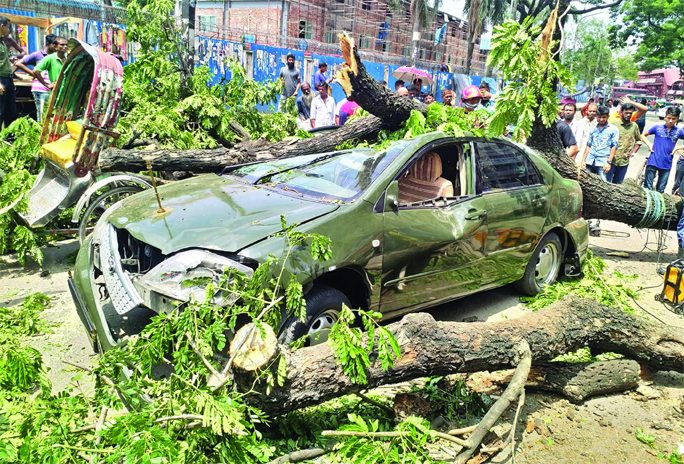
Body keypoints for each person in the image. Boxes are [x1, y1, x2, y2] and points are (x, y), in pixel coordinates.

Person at [14, 34, 57, 123]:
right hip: (41, 89)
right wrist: (33, 74)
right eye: (54, 44)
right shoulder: (37, 55)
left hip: (52, 88)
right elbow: (19, 63)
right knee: (42, 116)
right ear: (48, 44)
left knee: (51, 115)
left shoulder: (56, 56)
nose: (57, 47)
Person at [640, 106, 684, 193]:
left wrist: (678, 148)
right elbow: (642, 135)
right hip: (653, 160)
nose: (670, 121)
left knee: (660, 190)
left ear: (677, 119)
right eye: (669, 118)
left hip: (666, 164)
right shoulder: (657, 128)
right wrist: (649, 144)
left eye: (673, 119)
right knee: (647, 188)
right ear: (665, 117)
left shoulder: (678, 131)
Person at [606, 102, 642, 184]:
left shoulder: (634, 126)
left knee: (618, 184)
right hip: (611, 160)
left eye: (630, 113)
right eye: (626, 113)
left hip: (624, 161)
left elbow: (638, 141)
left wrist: (633, 153)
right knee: (606, 183)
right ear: (621, 112)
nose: (628, 115)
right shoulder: (613, 123)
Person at [581, 105, 618, 181]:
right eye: (599, 117)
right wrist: (583, 160)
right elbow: (589, 145)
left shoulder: (613, 129)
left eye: (604, 117)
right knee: (585, 182)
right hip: (590, 161)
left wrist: (609, 162)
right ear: (596, 116)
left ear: (608, 116)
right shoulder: (593, 128)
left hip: (603, 162)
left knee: (604, 184)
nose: (601, 119)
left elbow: (614, 146)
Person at [0, 16, 17, 129]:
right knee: (0, 112)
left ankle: (9, 139)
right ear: (1, 26)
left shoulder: (2, 42)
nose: (9, 30)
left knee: (11, 111)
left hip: (8, 79)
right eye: (8, 27)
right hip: (1, 80)